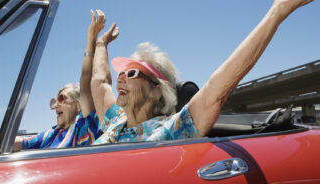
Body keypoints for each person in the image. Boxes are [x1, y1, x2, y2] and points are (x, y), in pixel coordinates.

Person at [90, 0, 313, 144]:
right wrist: (100, 44)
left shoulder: (171, 131)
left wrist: (278, 11)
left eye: (131, 74)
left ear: (157, 91)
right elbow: (99, 82)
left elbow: (216, 89)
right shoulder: (114, 119)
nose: (120, 76)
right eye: (121, 73)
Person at [0, 10, 105, 151]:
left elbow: (86, 82)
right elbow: (16, 143)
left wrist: (91, 41)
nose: (56, 105)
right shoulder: (52, 134)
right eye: (55, 101)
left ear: (79, 104)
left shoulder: (84, 126)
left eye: (62, 99)